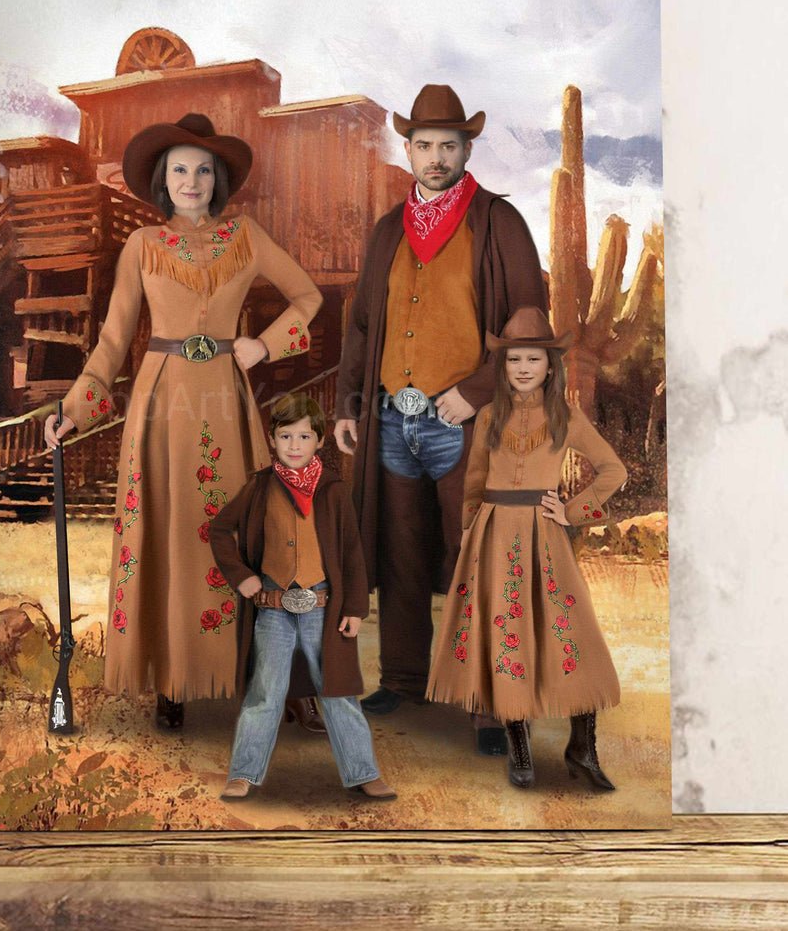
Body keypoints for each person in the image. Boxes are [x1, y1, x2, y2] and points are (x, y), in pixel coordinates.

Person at [45, 114, 323, 731]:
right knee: (169, 530)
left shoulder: (246, 236)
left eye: (202, 169)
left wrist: (264, 346)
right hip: (161, 405)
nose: (191, 180)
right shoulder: (142, 246)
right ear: (162, 181)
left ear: (216, 178)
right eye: (179, 170)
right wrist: (73, 409)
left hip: (227, 401)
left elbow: (307, 297)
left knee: (253, 533)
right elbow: (115, 339)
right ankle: (171, 678)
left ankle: (276, 676)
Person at [333, 84, 546, 755]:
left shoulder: (498, 222)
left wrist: (481, 389)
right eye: (423, 145)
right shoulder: (388, 229)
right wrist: (348, 403)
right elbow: (363, 324)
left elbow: (530, 326)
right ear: (408, 149)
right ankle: (402, 676)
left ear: (466, 149)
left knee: (470, 553)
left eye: (448, 146)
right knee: (401, 550)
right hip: (394, 416)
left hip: (464, 421)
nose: (434, 157)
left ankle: (486, 700)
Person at [426, 307, 627, 789]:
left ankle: (583, 748)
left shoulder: (566, 416)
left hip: (544, 536)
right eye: (513, 358)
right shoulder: (490, 416)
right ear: (503, 365)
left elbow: (613, 470)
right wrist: (469, 538)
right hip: (492, 539)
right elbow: (474, 484)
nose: (522, 368)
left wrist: (573, 512)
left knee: (568, 631)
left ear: (549, 366)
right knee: (506, 633)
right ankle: (519, 748)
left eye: (532, 360)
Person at [210, 394, 395, 801]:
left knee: (339, 694)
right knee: (264, 693)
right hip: (272, 609)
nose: (295, 445)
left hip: (324, 610)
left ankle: (363, 771)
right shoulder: (258, 487)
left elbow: (351, 552)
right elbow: (220, 530)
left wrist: (355, 609)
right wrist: (241, 577)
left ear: (319, 440)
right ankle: (244, 772)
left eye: (304, 436)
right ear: (272, 440)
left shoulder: (333, 490)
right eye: (285, 436)